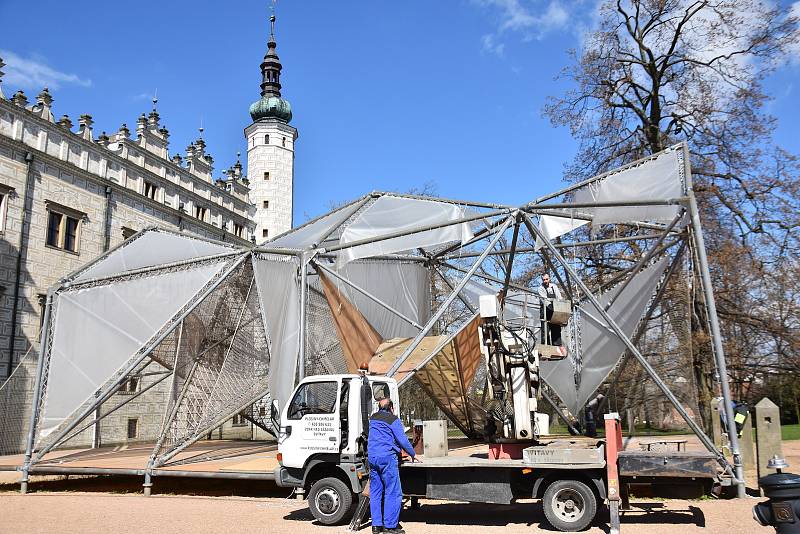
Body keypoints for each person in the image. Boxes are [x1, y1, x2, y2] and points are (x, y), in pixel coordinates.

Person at [368, 398, 418, 534]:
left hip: (372, 458)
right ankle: (390, 526)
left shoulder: (373, 418)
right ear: (391, 407)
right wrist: (413, 453)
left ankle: (376, 525)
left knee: (376, 492)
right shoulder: (393, 419)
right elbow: (402, 440)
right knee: (393, 491)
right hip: (386, 458)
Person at [537, 273, 564, 346]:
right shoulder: (540, 288)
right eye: (544, 280)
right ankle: (546, 347)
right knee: (545, 330)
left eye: (546, 279)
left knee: (556, 329)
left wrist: (560, 306)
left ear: (549, 278)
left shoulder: (554, 286)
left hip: (555, 309)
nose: (545, 281)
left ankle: (557, 346)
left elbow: (559, 297)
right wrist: (552, 306)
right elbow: (544, 300)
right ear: (542, 280)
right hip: (546, 310)